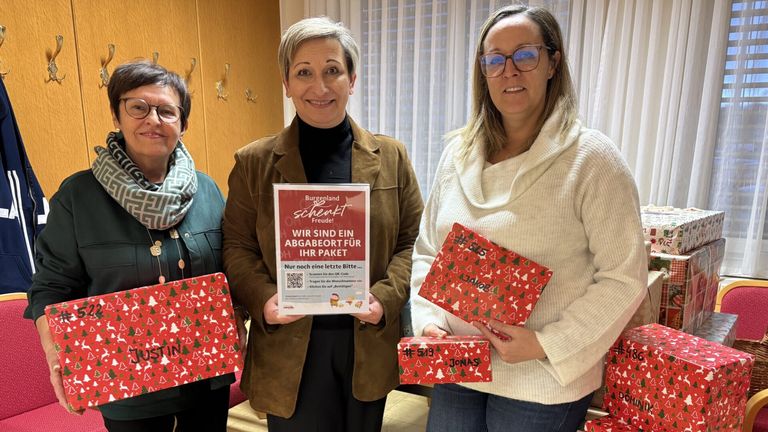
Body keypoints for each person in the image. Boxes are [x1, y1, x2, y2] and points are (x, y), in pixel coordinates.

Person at [410, 5, 647, 432]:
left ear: (553, 62)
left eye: (525, 55)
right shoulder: (457, 155)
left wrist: (546, 343)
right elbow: (428, 250)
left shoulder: (592, 159)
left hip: (541, 382)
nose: (509, 71)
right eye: (494, 59)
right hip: (459, 363)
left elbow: (623, 276)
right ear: (482, 71)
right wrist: (429, 321)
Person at [222, 16, 424, 432]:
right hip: (288, 345)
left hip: (365, 344)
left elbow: (413, 242)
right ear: (286, 83)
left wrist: (384, 298)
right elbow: (237, 247)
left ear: (351, 79)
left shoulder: (392, 157)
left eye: (332, 70)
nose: (320, 86)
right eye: (304, 73)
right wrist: (263, 300)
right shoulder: (253, 163)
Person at [25, 60, 239, 432]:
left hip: (206, 382)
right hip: (129, 394)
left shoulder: (207, 191)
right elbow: (50, 290)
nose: (153, 119)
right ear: (117, 114)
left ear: (183, 124)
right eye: (138, 107)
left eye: (167, 111)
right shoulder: (77, 197)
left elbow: (229, 272)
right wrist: (56, 354)